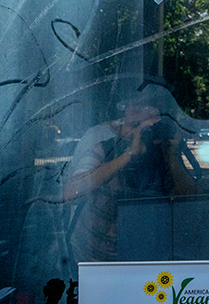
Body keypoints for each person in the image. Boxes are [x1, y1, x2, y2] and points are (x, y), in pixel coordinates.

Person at [64, 101, 199, 262]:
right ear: (119, 128)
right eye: (135, 126)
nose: (142, 135)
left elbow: (193, 201)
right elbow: (71, 194)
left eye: (150, 128)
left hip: (146, 257)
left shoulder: (163, 155)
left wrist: (172, 153)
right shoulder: (105, 150)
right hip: (94, 259)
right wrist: (128, 155)